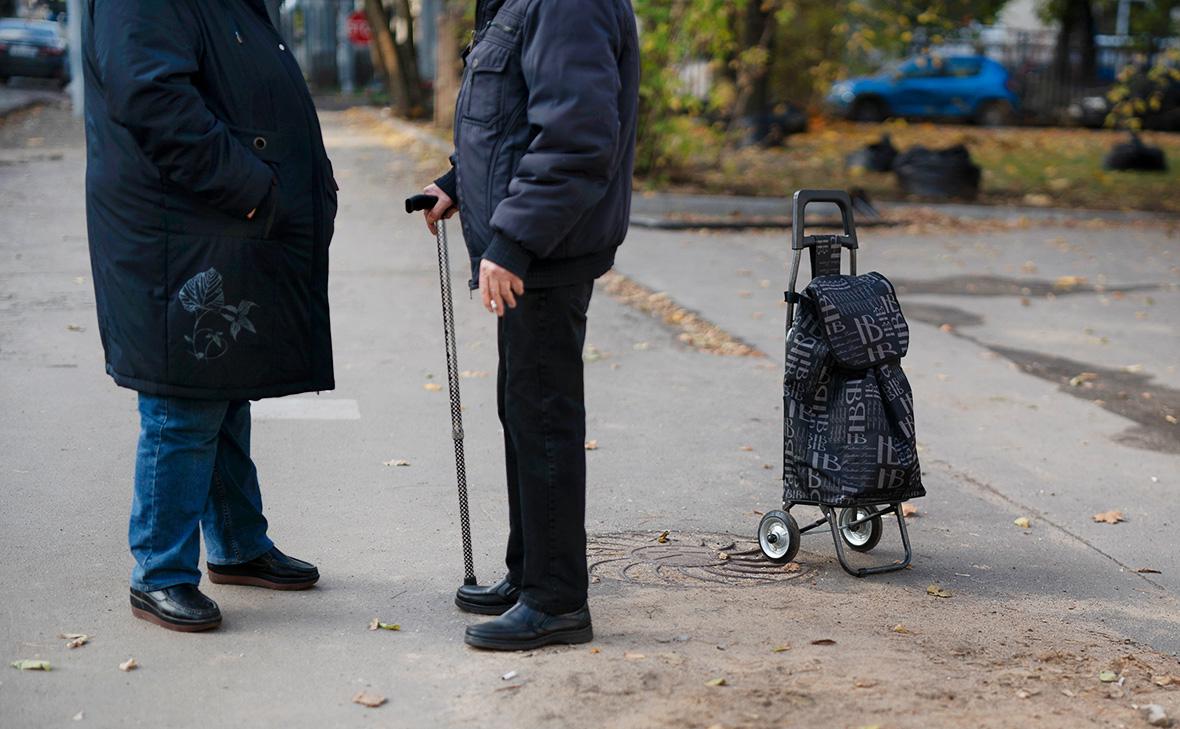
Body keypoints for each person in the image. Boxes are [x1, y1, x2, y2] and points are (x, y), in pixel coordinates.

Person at [82, 0, 338, 632]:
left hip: (209, 220)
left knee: (225, 386)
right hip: (178, 225)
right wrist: (250, 186)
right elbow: (152, 98)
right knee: (182, 399)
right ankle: (160, 574)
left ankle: (237, 544)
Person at [421, 0, 639, 651]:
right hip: (533, 245)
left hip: (545, 250)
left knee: (542, 416)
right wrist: (457, 181)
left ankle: (556, 599)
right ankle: (529, 575)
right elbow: (513, 119)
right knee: (522, 408)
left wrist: (513, 238)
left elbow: (577, 138)